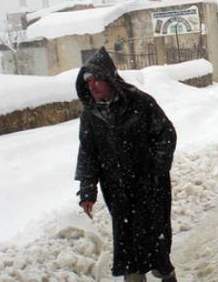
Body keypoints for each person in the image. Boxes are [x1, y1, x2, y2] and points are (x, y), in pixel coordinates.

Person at [75, 47, 178, 282]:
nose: (92, 86)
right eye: (88, 82)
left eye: (96, 80)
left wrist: (156, 166)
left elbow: (166, 133)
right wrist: (87, 189)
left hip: (150, 188)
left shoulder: (140, 103)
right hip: (117, 191)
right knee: (128, 246)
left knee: (156, 242)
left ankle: (166, 275)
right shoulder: (91, 116)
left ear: (109, 78)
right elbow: (87, 153)